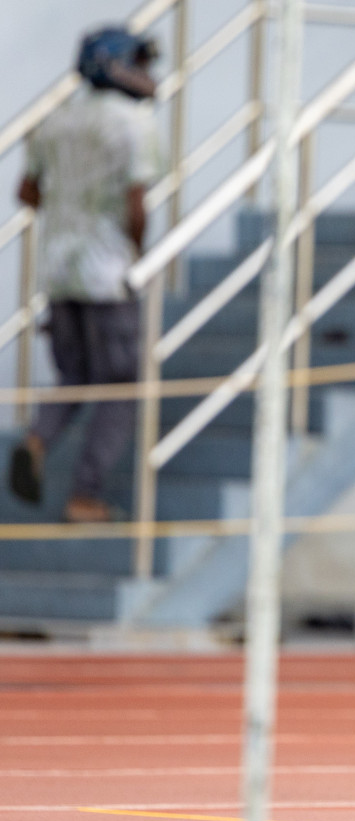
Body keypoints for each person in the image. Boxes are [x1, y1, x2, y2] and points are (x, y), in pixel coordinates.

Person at [7, 28, 161, 523]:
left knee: (74, 376)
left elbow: (27, 192)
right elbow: (136, 207)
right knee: (119, 387)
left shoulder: (54, 122)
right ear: (115, 65)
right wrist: (136, 248)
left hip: (59, 271)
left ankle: (37, 441)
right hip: (105, 273)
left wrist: (69, 206)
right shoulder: (134, 123)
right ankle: (84, 495)